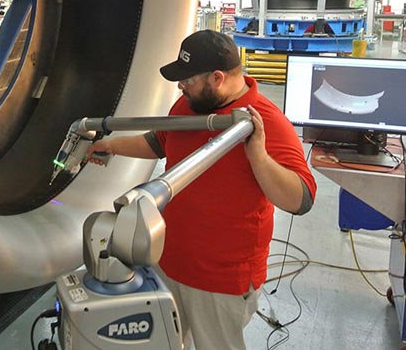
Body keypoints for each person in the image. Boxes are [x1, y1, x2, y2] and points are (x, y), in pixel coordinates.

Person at [88, 30, 317, 350]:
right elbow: (159, 142)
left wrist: (258, 156)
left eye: (188, 79)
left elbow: (300, 199)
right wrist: (111, 145)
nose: (180, 86)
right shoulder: (189, 104)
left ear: (218, 78)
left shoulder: (264, 121)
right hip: (168, 263)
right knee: (165, 343)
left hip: (219, 282)